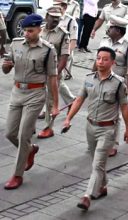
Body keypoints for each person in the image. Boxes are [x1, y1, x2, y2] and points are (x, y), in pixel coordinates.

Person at [63, 47, 128, 210]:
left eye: (105, 59)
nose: (100, 62)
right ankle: (103, 185)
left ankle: (87, 196)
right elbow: (78, 100)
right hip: (90, 126)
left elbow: (124, 107)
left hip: (108, 129)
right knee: (97, 162)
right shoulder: (88, 79)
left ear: (113, 62)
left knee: (97, 163)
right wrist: (67, 118)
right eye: (98, 58)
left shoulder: (118, 83)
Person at [2, 14, 59, 190]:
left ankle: (17, 175)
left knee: (23, 134)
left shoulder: (48, 50)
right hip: (17, 91)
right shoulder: (16, 43)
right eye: (25, 30)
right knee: (10, 133)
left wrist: (54, 105)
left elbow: (52, 78)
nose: (26, 33)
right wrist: (6, 66)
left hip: (36, 94)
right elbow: (5, 69)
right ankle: (30, 149)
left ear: (39, 30)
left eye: (30, 31)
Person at [97, 15, 128, 157]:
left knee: (115, 116)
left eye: (111, 27)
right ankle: (100, 140)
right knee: (102, 111)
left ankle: (113, 144)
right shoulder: (104, 40)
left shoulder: (127, 45)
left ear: (118, 31)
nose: (108, 28)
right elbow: (97, 60)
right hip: (102, 81)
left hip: (118, 83)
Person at [37, 6, 73, 139]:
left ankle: (48, 128)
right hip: (38, 71)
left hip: (53, 71)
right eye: (53, 17)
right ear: (46, 17)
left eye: (58, 18)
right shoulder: (39, 29)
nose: (55, 20)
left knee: (50, 101)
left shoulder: (63, 34)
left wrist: (56, 74)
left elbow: (64, 57)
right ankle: (72, 101)